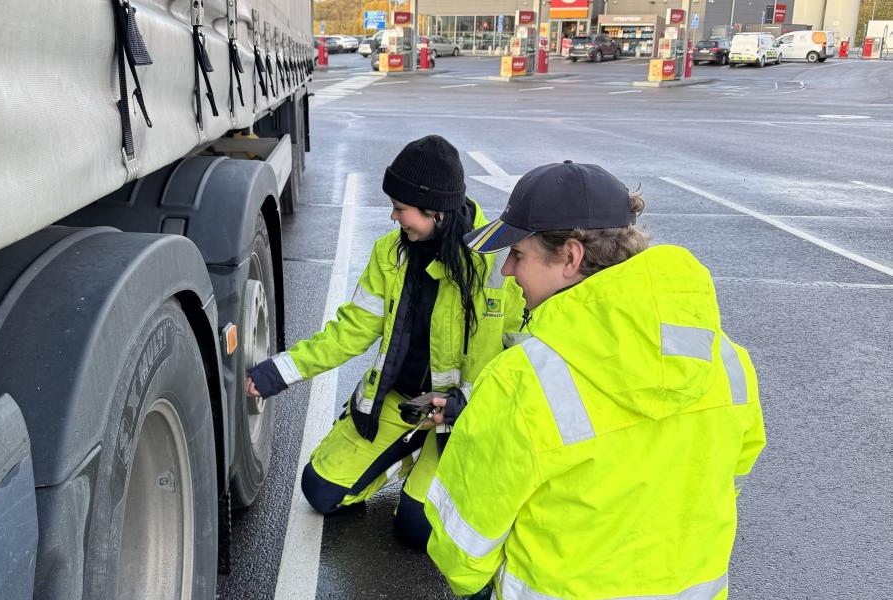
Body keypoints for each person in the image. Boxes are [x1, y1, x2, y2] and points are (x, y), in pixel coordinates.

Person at [423, 160, 766, 599]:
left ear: (571, 256)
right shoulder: (726, 359)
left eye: (519, 255)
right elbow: (732, 472)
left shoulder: (523, 380)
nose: (507, 271)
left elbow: (463, 545)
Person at [245, 135, 525, 549]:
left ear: (437, 212)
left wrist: (465, 407)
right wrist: (279, 371)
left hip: (466, 414)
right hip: (404, 401)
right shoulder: (389, 255)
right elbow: (349, 331)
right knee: (320, 491)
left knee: (417, 526)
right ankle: (411, 449)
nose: (393, 217)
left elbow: (521, 352)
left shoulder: (498, 262)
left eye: (401, 208)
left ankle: (429, 460)